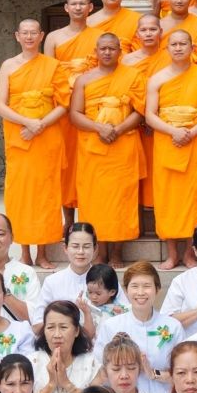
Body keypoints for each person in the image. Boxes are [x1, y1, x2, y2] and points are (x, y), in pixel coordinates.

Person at [145, 27, 197, 266]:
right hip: (167, 142)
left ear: (192, 48)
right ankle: (172, 253)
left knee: (195, 198)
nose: (178, 48)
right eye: (173, 44)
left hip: (194, 142)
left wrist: (192, 132)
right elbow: (150, 115)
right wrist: (173, 131)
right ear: (166, 49)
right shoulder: (157, 79)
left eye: (183, 44)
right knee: (167, 198)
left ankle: (189, 252)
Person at [0, 21, 69, 259]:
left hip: (47, 137)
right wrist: (27, 123)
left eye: (33, 33)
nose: (29, 37)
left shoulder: (53, 65)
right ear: (17, 36)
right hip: (20, 138)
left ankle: (43, 252)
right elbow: (0, 105)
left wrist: (40, 124)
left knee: (46, 195)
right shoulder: (8, 66)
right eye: (24, 33)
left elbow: (63, 104)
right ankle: (25, 251)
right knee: (21, 195)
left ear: (41, 36)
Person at [69, 33, 147, 246]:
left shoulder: (133, 76)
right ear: (95, 52)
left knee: (121, 198)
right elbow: (75, 114)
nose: (107, 52)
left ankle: (117, 251)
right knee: (95, 199)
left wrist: (118, 129)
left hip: (123, 146)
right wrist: (99, 128)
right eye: (103, 48)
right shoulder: (83, 80)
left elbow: (140, 111)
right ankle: (98, 248)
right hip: (93, 147)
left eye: (112, 48)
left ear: (120, 52)